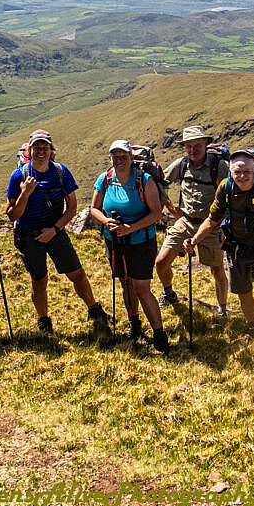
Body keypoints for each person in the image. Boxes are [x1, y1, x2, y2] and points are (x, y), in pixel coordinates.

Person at [6, 129, 110, 335]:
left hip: (56, 231)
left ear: (52, 150)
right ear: (30, 150)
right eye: (37, 147)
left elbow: (72, 207)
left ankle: (94, 309)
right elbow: (11, 214)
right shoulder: (19, 175)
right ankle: (44, 320)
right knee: (39, 279)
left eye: (45, 147)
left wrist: (54, 230)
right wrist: (25, 194)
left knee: (77, 274)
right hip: (29, 235)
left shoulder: (61, 172)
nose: (41, 151)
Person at [184, 150, 254, 367]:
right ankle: (253, 326)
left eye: (247, 171)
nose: (243, 176)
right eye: (238, 172)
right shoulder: (226, 188)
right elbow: (212, 220)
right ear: (231, 172)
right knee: (242, 292)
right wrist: (194, 240)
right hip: (236, 247)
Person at [90, 140, 169, 353]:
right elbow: (94, 209)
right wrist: (107, 222)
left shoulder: (144, 180)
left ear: (131, 158)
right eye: (115, 156)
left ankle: (159, 333)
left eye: (123, 156)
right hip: (115, 241)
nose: (119, 160)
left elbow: (156, 214)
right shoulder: (105, 179)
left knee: (141, 288)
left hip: (141, 241)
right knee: (126, 283)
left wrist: (131, 228)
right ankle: (134, 323)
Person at [155, 125, 230, 315]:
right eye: (188, 146)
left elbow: (231, 191)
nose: (192, 150)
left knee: (217, 269)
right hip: (185, 221)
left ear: (206, 144)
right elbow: (159, 182)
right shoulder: (181, 164)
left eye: (197, 145)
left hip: (211, 224)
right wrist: (168, 205)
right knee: (161, 262)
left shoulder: (219, 166)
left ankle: (222, 308)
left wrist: (222, 216)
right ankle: (169, 293)